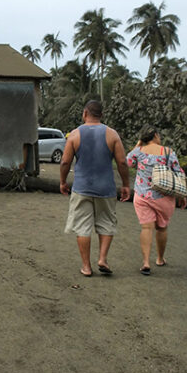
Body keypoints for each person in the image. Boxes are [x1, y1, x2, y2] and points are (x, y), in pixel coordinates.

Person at [59, 100, 131, 277]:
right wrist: (126, 185)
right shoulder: (112, 134)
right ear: (102, 115)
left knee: (82, 227)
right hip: (105, 188)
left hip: (82, 188)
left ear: (85, 113)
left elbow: (65, 161)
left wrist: (62, 181)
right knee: (106, 223)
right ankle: (102, 259)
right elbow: (122, 162)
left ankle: (86, 266)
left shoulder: (75, 135)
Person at [126, 125, 187, 276]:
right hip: (164, 197)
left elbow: (127, 162)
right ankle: (160, 258)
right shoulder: (168, 152)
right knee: (162, 228)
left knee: (147, 228)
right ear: (154, 135)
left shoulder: (139, 152)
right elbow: (178, 172)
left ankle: (146, 262)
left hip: (142, 196)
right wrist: (182, 196)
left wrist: (138, 145)